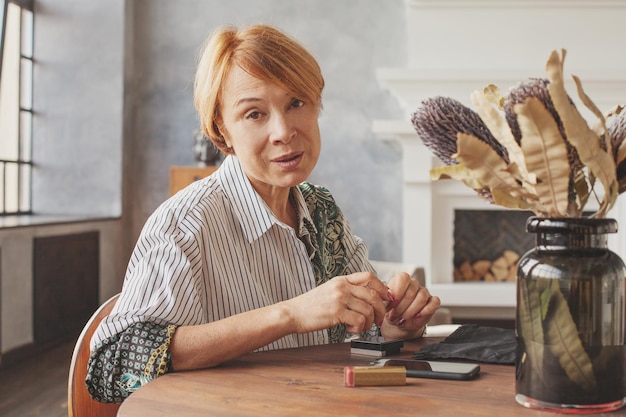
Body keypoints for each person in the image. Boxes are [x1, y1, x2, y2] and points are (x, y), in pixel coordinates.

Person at [86, 24, 441, 403]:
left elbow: (357, 336)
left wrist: (394, 324)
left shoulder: (322, 212)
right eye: (254, 114)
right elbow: (112, 365)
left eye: (296, 103)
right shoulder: (184, 224)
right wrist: (289, 314)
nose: (284, 131)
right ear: (221, 127)